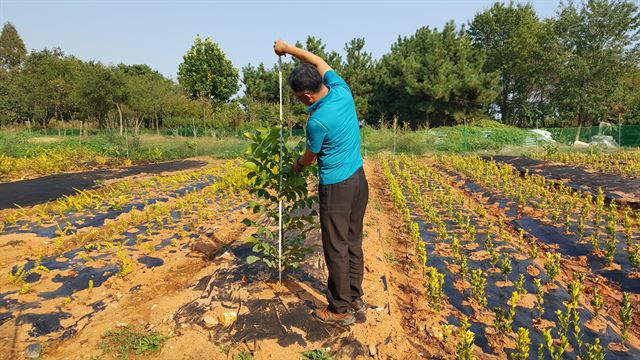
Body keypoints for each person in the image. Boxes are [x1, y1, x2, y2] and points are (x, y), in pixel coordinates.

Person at [273, 40, 369, 326]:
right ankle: (353, 296)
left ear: (306, 96)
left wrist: (296, 166)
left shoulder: (317, 122)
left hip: (337, 187)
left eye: (298, 98)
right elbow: (316, 59)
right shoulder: (342, 91)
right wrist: (288, 48)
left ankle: (339, 310)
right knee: (352, 240)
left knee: (335, 246)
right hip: (358, 180)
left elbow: (309, 157)